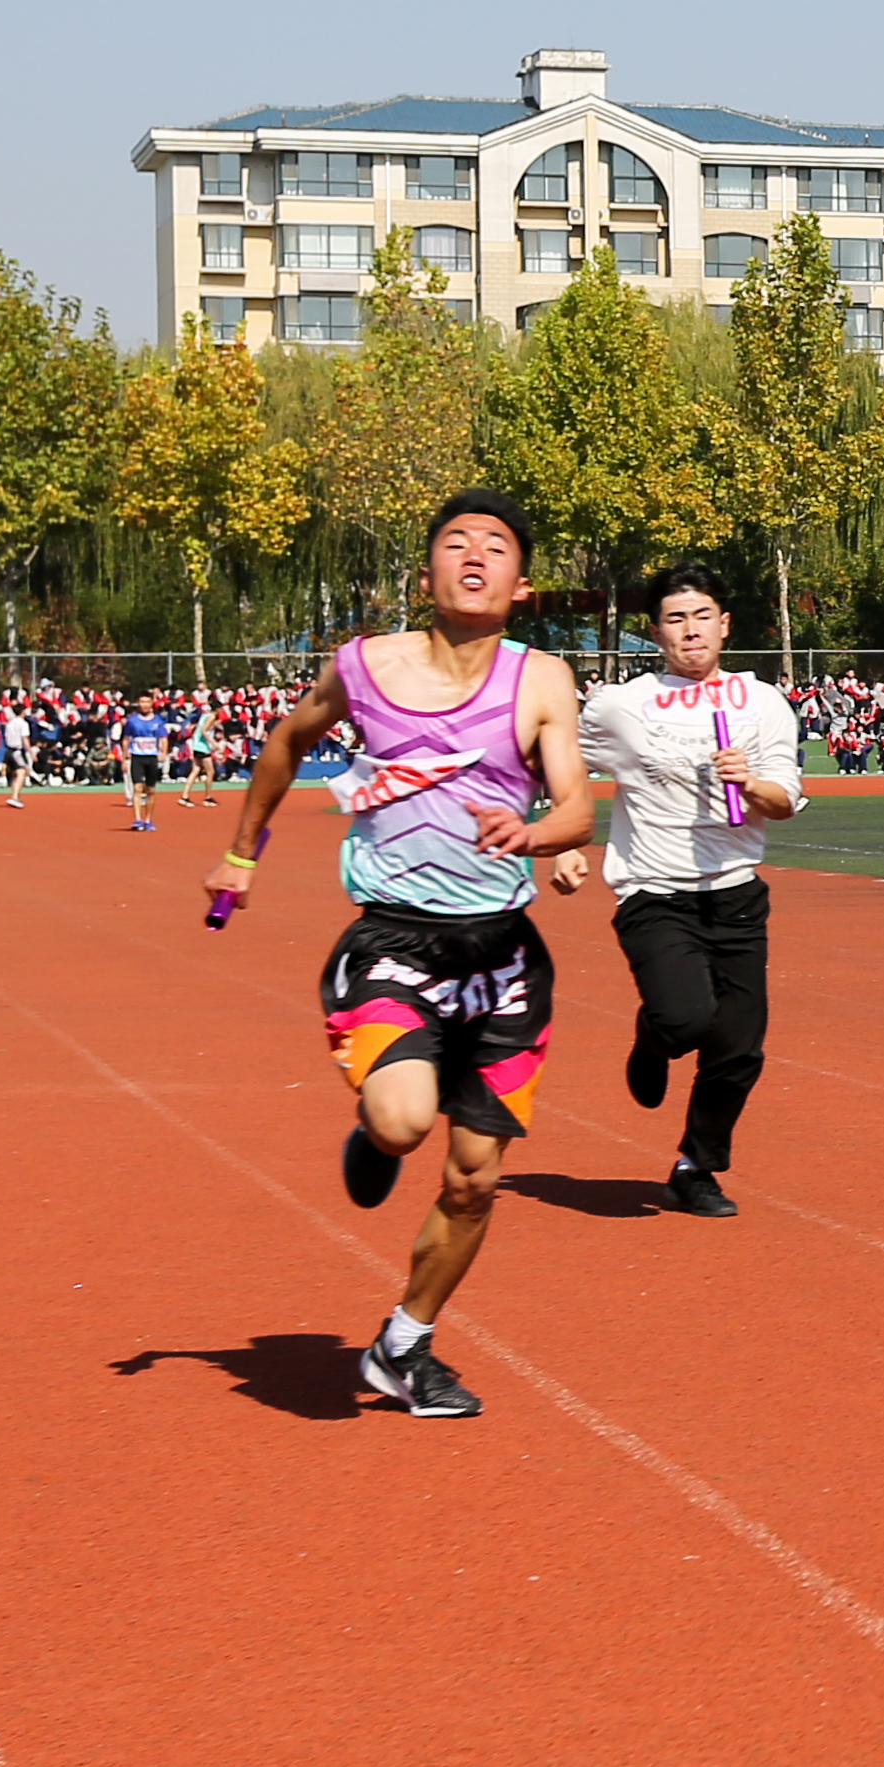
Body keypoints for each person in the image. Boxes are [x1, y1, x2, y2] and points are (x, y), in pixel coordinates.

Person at [202, 489, 594, 1420]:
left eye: (495, 545)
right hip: (394, 941)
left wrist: (536, 833)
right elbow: (288, 740)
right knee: (405, 1120)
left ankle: (404, 1343)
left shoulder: (542, 679)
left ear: (521, 583)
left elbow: (577, 805)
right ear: (426, 574)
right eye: (456, 542)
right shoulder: (365, 666)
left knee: (475, 1179)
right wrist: (240, 853)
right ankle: (375, 1133)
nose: (475, 555)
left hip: (504, 961)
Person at [554, 560, 803, 1217]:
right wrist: (565, 840)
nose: (690, 630)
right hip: (654, 891)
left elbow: (784, 799)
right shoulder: (621, 706)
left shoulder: (763, 703)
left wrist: (750, 783)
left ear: (725, 624)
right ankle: (654, 1035)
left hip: (736, 893)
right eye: (675, 619)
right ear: (657, 632)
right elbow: (562, 763)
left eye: (702, 617)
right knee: (685, 1017)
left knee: (739, 1048)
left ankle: (696, 1167)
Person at [116, 691, 168, 831]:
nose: (144, 705)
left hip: (152, 757)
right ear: (138, 703)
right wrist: (124, 757)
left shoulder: (158, 721)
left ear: (152, 703)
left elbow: (163, 738)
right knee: (137, 787)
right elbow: (126, 739)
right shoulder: (132, 721)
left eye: (147, 702)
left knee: (151, 789)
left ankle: (148, 819)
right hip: (137, 757)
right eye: (142, 702)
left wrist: (163, 752)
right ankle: (137, 819)